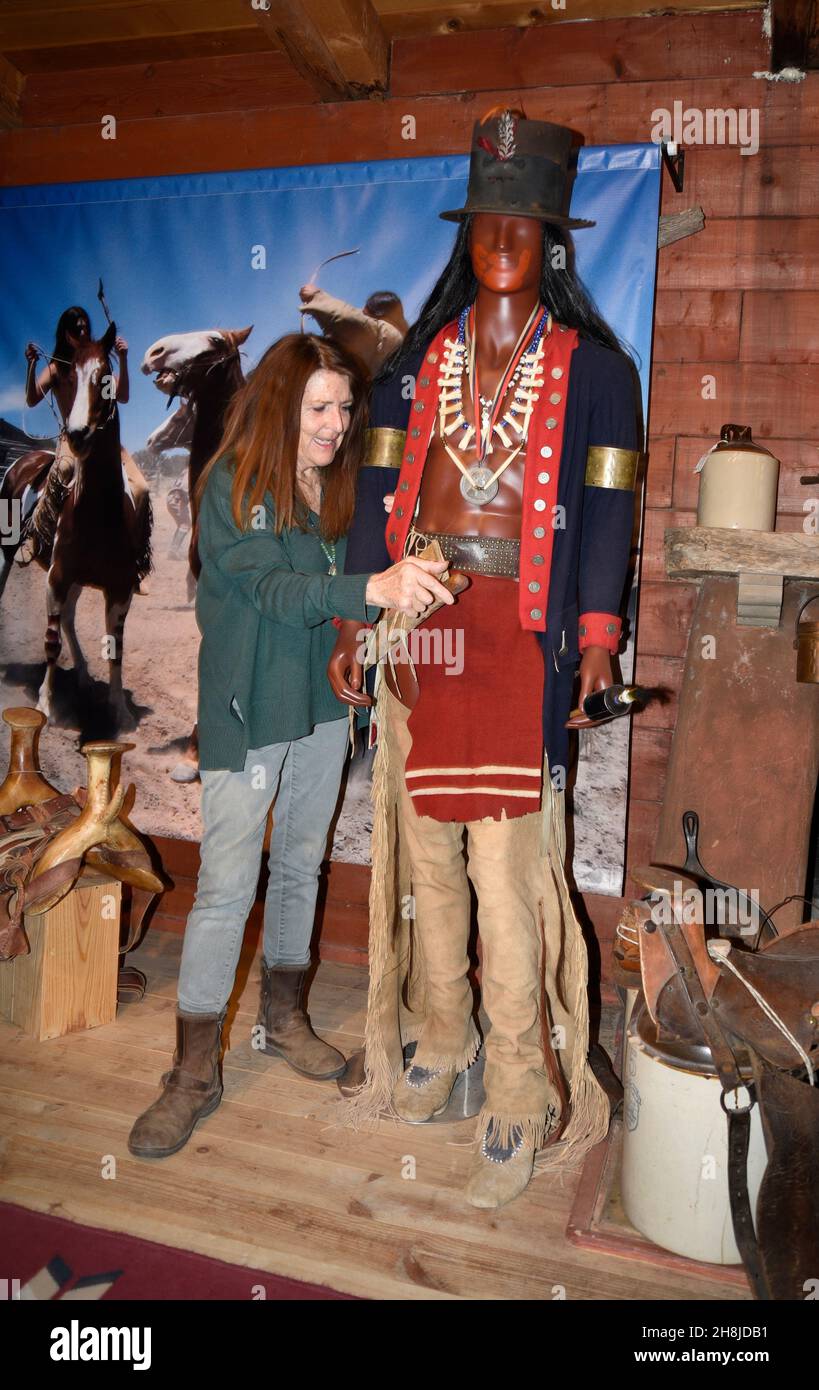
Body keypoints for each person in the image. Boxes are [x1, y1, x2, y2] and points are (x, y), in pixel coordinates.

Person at [328, 111, 641, 1209]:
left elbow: (607, 516)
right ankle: (443, 1036)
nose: (503, 233)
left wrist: (597, 641)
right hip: (424, 618)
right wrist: (355, 626)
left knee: (508, 872)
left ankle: (517, 1084)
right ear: (467, 236)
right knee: (425, 855)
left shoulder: (597, 372)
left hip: (520, 632)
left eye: (525, 217)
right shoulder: (414, 367)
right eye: (486, 216)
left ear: (551, 238)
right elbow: (375, 507)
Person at [128, 332, 452, 1159]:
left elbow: (341, 597)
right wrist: (367, 588)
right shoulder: (231, 484)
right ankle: (192, 1074)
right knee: (225, 890)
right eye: (318, 407)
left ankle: (284, 1018)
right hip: (246, 710)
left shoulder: (339, 487)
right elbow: (272, 588)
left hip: (320, 709)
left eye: (343, 407)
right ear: (281, 404)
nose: (335, 423)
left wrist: (381, 594)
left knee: (302, 864)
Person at [23, 306, 151, 580]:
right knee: (64, 472)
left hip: (105, 443)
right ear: (66, 333)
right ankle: (41, 541)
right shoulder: (56, 368)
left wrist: (124, 359)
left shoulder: (96, 366)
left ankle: (137, 559)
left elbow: (122, 396)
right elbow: (32, 398)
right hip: (72, 442)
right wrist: (32, 365)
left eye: (85, 327)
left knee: (141, 487)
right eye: (76, 328)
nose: (82, 331)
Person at [299, 285, 407, 375]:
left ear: (379, 314)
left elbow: (347, 316)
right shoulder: (396, 337)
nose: (362, 312)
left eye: (366, 311)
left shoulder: (387, 334)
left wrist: (316, 296)